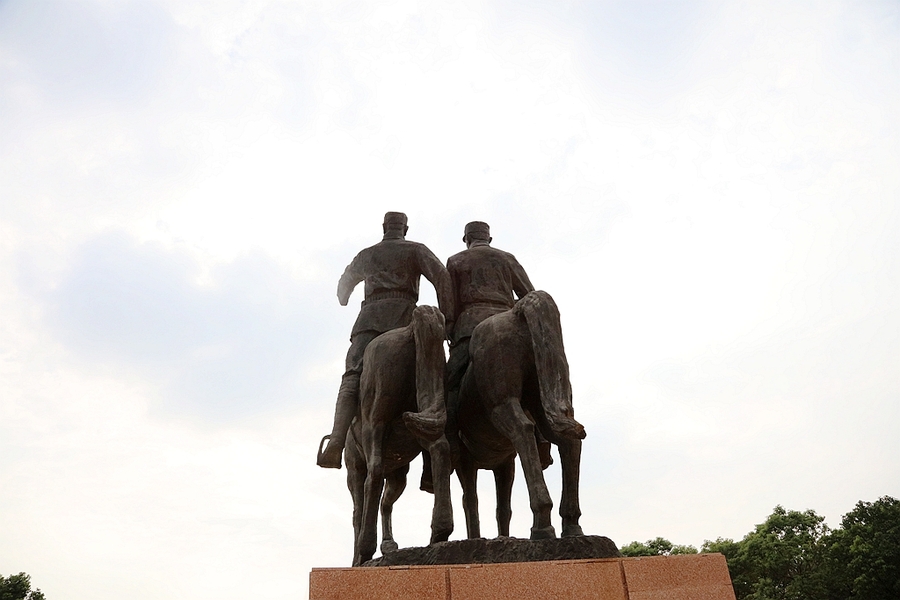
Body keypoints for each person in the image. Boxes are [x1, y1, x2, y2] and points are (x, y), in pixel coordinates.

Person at [317, 212, 454, 469]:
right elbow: (442, 277)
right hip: (406, 320)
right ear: (405, 228)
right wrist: (448, 319)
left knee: (352, 378)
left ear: (384, 228)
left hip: (369, 321)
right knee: (434, 379)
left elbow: (342, 291)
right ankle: (431, 463)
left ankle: (336, 442)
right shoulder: (416, 250)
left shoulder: (366, 255)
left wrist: (349, 294)